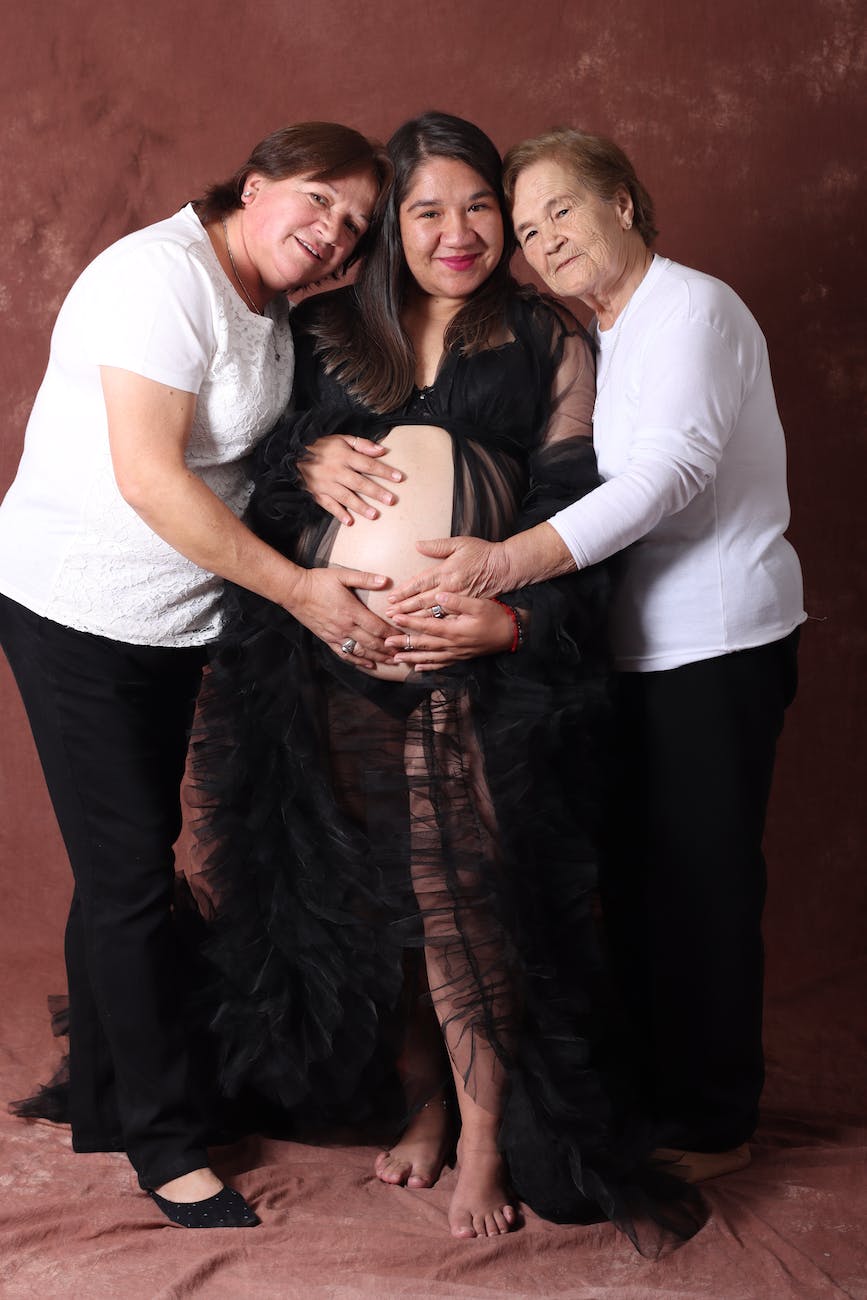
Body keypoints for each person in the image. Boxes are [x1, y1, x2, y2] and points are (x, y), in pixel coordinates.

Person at [192, 111, 704, 1251]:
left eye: (481, 205)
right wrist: (304, 457)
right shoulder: (329, 333)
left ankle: (481, 1128)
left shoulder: (544, 338)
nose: (458, 230)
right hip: (334, 659)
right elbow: (252, 490)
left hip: (473, 663)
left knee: (457, 891)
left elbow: (584, 523)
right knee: (379, 895)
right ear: (393, 230)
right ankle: (421, 1099)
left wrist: (503, 622)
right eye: (428, 209)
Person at [387, 127, 805, 1183]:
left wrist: (502, 564)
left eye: (560, 211)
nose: (540, 241)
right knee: (635, 885)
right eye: (525, 230)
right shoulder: (606, 334)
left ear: (624, 198)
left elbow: (667, 475)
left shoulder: (693, 308)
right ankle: (656, 1094)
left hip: (714, 644)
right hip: (629, 652)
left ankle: (715, 1120)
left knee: (702, 885)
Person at [0, 122, 393, 1227]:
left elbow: (245, 452)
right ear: (253, 183)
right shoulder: (155, 280)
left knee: (119, 862)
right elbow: (154, 481)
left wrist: (310, 456)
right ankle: (165, 1143)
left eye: (354, 227)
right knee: (129, 874)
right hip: (76, 610)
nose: (330, 236)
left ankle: (108, 1098)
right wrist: (303, 593)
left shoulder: (268, 308)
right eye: (317, 201)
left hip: (174, 620)